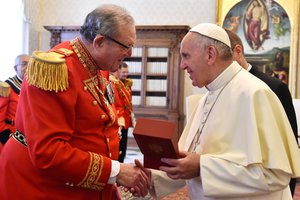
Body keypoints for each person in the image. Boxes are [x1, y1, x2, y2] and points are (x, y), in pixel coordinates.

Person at [0, 4, 150, 200]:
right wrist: (115, 171)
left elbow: (98, 130)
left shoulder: (99, 66)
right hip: (43, 185)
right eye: (126, 46)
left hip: (77, 180)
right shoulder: (56, 69)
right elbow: (48, 152)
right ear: (99, 41)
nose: (130, 53)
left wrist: (107, 182)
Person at [136, 23, 300, 200]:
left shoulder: (255, 93)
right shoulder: (208, 97)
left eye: (186, 56)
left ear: (210, 54)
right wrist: (152, 177)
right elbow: (188, 163)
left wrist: (202, 166)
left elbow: (274, 175)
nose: (182, 65)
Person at [225, 28, 299, 196]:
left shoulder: (274, 87)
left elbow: (288, 147)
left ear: (238, 51)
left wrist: (289, 192)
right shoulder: (222, 90)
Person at [0, 54, 30, 145]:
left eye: (31, 64)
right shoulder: (6, 88)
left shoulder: (34, 87)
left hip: (30, 136)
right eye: (24, 64)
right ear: (15, 68)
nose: (28, 67)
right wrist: (8, 140)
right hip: (12, 136)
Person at [109, 62, 135, 163]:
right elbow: (114, 103)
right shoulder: (114, 84)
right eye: (123, 72)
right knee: (117, 147)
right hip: (118, 120)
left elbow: (129, 103)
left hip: (126, 120)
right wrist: (119, 117)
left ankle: (121, 163)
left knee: (123, 146)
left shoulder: (127, 85)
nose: (125, 74)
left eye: (127, 72)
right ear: (118, 71)